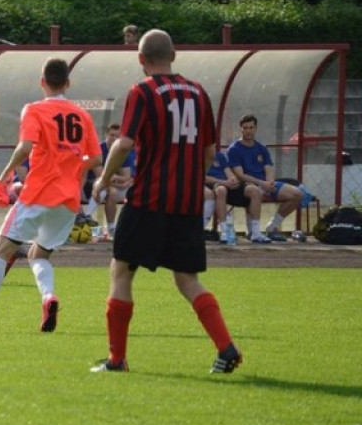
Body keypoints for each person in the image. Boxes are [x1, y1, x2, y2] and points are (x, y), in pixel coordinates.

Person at [90, 28, 242, 374]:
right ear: (174, 56)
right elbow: (208, 152)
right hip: (187, 204)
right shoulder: (199, 93)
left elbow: (124, 143)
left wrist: (102, 179)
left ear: (141, 59)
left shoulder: (142, 91)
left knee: (122, 270)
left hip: (149, 198)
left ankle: (117, 359)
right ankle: (226, 346)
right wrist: (189, 180)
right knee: (187, 278)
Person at [0, 57, 100, 333]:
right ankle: (48, 296)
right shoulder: (84, 115)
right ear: (68, 83)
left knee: (0, 251)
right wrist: (71, 169)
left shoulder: (34, 109)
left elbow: (25, 146)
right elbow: (96, 157)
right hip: (68, 200)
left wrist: (8, 170)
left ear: (42, 82)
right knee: (38, 254)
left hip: (37, 194)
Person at [226, 114, 304, 242]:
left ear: (256, 128)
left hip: (264, 183)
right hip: (247, 184)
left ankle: (272, 226)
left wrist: (270, 182)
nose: (248, 131)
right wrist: (262, 184)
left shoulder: (261, 148)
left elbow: (268, 168)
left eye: (251, 127)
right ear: (240, 129)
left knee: (297, 194)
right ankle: (252, 231)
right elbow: (240, 175)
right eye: (245, 128)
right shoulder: (234, 149)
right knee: (254, 191)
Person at [85, 123, 134, 238]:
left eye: (118, 136)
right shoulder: (98, 149)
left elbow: (126, 176)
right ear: (106, 134)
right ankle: (86, 217)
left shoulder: (123, 150)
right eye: (112, 135)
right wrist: (118, 180)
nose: (114, 138)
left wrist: (117, 179)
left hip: (115, 186)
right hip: (93, 185)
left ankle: (112, 227)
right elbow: (101, 176)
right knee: (105, 188)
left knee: (114, 191)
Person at [203, 148, 241, 242]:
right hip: (209, 183)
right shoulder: (197, 155)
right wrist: (224, 182)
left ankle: (227, 231)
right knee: (220, 190)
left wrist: (233, 180)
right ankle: (225, 230)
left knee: (223, 189)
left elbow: (229, 173)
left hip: (223, 184)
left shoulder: (219, 155)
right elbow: (202, 177)